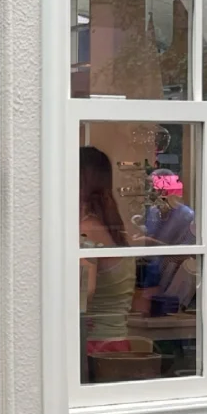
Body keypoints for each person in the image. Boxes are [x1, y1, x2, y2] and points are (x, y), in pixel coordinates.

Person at [79, 146, 135, 341]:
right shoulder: (111, 226)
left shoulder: (86, 229)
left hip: (96, 343)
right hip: (117, 340)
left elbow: (84, 290)